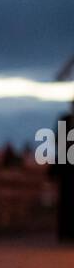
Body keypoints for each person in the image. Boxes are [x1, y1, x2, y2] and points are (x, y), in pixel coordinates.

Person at [49, 98, 74, 242]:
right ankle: (65, 233)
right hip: (67, 168)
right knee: (65, 200)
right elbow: (57, 139)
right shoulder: (64, 119)